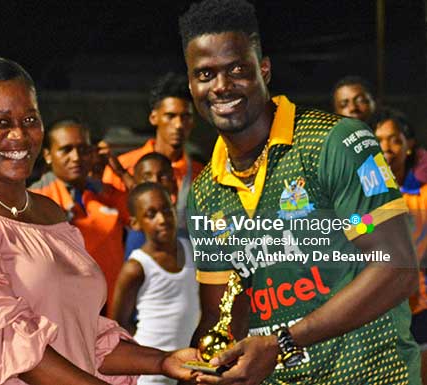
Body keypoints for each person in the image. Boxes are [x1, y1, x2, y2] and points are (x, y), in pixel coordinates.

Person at [0, 57, 198, 385]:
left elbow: (81, 336)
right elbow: (8, 343)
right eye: (1, 123)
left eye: (30, 119)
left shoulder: (50, 213)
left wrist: (164, 361)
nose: (20, 136)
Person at [179, 0, 422, 383]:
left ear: (264, 69)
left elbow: (396, 269)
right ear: (192, 84)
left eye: (237, 69)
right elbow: (221, 315)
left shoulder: (336, 142)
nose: (221, 86)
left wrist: (282, 343)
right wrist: (204, 367)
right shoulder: (205, 191)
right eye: (205, 74)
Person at [30, 119, 128, 312]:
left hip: (112, 315)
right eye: (66, 150)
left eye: (83, 149)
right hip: (63, 315)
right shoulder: (35, 199)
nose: (76, 157)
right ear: (48, 155)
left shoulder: (110, 193)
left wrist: (121, 173)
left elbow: (144, 218)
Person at [109, 183, 200, 385]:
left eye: (166, 209)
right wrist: (147, 355)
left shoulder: (192, 251)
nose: (162, 219)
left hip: (190, 367)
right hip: (151, 373)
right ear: (135, 223)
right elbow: (119, 325)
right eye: (151, 214)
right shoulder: (136, 267)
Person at [369, 109, 427, 384]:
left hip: (420, 304)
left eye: (393, 140)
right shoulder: (366, 191)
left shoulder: (422, 194)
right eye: (379, 140)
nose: (386, 148)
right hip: (379, 304)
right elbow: (355, 224)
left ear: (408, 145)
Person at [101, 72, 204, 199]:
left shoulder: (201, 175)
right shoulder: (123, 167)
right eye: (170, 116)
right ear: (153, 118)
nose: (178, 124)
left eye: (186, 117)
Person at [124, 153, 181, 258]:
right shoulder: (140, 233)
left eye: (163, 177)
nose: (155, 181)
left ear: (173, 182)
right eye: (147, 177)